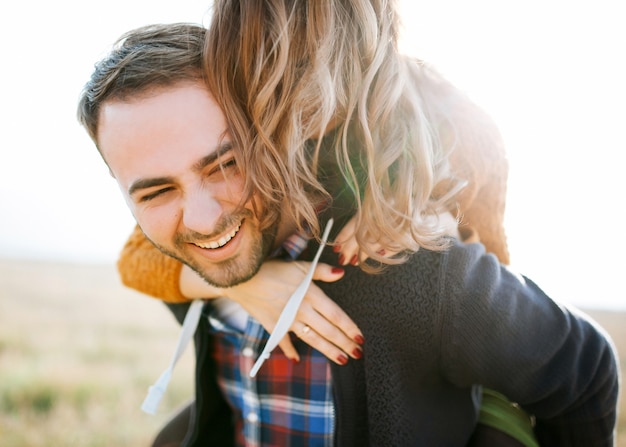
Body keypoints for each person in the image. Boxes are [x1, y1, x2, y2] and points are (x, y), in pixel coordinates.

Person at [78, 21, 618, 447]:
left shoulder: (409, 265)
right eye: (154, 192)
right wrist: (234, 284)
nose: (198, 218)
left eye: (224, 164)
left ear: (274, 129)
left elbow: (585, 370)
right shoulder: (195, 258)